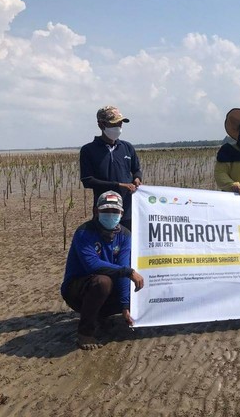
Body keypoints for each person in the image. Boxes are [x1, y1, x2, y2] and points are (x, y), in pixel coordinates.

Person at [61, 190, 144, 350]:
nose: (110, 214)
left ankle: (102, 315)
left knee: (135, 288)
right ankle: (85, 333)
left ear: (121, 213)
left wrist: (125, 306)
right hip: (78, 290)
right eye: (106, 211)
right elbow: (92, 265)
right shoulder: (84, 232)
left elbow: (122, 265)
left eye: (115, 211)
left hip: (107, 288)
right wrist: (129, 272)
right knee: (102, 281)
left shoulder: (125, 235)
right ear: (96, 211)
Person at [80, 105, 142, 230]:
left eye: (120, 123)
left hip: (127, 209)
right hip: (105, 210)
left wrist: (137, 178)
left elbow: (136, 169)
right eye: (114, 124)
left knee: (127, 243)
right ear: (101, 125)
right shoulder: (88, 150)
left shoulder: (127, 147)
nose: (118, 128)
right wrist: (118, 185)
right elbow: (88, 180)